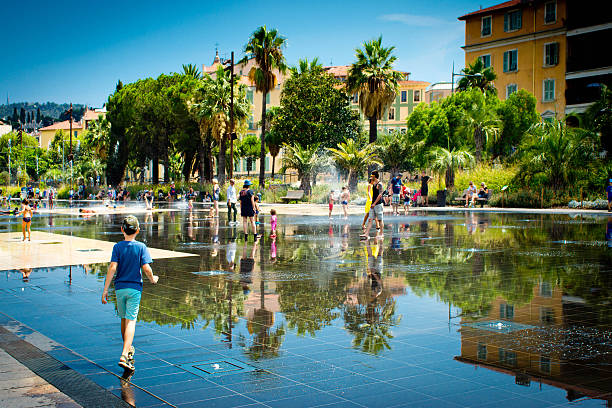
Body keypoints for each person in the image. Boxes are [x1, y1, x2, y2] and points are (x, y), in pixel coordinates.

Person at [101, 216, 158, 371]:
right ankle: (124, 354)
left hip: (119, 288)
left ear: (122, 230)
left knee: (124, 318)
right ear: (138, 231)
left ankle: (128, 348)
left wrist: (105, 289)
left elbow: (112, 267)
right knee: (131, 320)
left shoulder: (117, 247)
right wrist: (153, 279)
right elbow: (146, 268)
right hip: (134, 289)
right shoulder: (141, 247)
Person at [362, 171, 384, 239]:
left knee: (380, 220)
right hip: (372, 205)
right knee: (370, 219)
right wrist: (372, 203)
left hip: (378, 204)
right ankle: (366, 234)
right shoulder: (373, 183)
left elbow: (380, 195)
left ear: (375, 176)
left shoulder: (379, 184)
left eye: (372, 176)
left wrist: (374, 203)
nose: (371, 177)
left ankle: (381, 234)